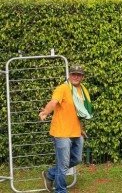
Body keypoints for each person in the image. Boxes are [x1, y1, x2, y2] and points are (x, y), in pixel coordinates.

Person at [39, 65, 93, 193]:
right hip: (61, 132)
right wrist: (46, 112)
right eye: (73, 74)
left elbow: (79, 112)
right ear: (69, 75)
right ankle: (61, 190)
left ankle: (50, 174)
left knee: (77, 159)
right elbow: (53, 102)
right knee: (63, 165)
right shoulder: (62, 88)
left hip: (76, 131)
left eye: (78, 74)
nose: (76, 76)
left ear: (82, 77)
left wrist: (81, 128)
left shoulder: (83, 91)